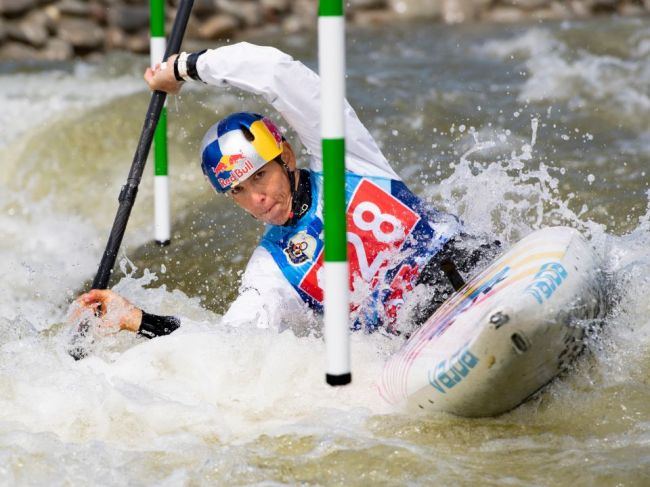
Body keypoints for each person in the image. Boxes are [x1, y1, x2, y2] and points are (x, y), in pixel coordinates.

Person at [75, 42, 499, 340]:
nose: (256, 199)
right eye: (238, 191)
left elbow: (274, 71)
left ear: (288, 158)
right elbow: (229, 348)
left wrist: (184, 68)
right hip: (422, 339)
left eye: (260, 176)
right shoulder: (272, 270)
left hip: (469, 267)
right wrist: (137, 320)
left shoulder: (345, 158)